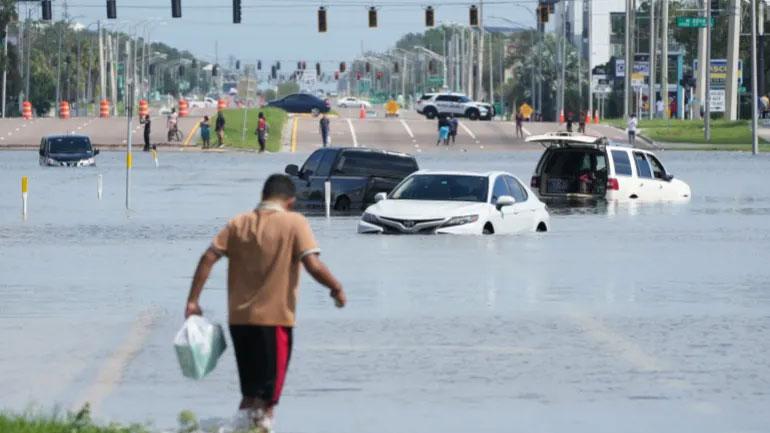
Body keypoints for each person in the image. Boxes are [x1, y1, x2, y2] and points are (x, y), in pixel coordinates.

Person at [184, 174, 346, 432]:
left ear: (262, 197)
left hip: (239, 321)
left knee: (250, 395)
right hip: (275, 322)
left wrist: (193, 301)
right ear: (290, 201)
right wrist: (336, 288)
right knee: (268, 401)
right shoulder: (295, 223)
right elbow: (312, 264)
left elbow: (208, 257)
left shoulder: (239, 223)